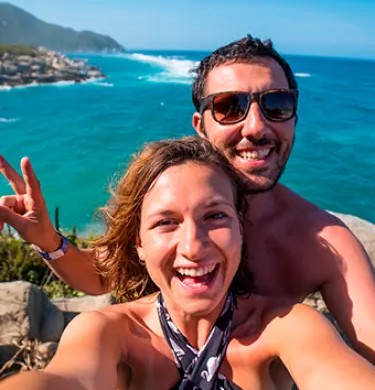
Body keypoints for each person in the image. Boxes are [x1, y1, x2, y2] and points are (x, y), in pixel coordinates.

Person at [0, 35, 375, 366]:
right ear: (201, 124)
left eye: (276, 104)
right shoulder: (162, 200)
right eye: (230, 106)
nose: (257, 126)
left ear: (294, 117)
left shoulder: (324, 243)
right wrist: (47, 239)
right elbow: (99, 277)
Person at [1, 137, 375, 390]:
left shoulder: (285, 329)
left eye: (215, 217)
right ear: (139, 245)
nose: (194, 247)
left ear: (241, 232)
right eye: (166, 222)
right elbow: (66, 381)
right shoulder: (109, 333)